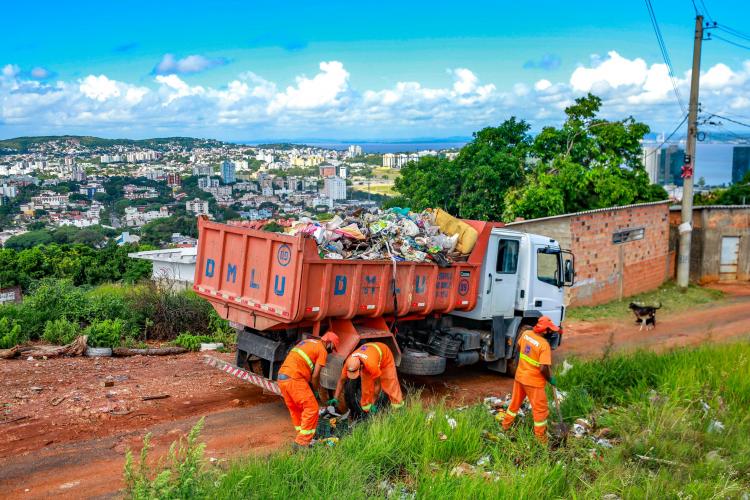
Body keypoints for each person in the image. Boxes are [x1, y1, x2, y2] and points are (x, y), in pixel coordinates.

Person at [501, 316, 560, 444]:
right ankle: (541, 440)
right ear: (544, 331)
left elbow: (518, 348)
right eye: (550, 330)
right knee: (540, 411)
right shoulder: (544, 345)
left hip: (520, 377)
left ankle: (505, 426)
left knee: (514, 404)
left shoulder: (526, 334)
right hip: (534, 383)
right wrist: (551, 379)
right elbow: (543, 368)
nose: (551, 333)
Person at [277, 331, 339, 449]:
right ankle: (302, 443)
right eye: (333, 347)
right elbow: (315, 376)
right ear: (329, 343)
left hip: (282, 377)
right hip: (295, 378)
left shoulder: (307, 342)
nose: (332, 350)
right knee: (312, 408)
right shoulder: (322, 350)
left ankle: (302, 434)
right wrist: (315, 391)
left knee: (296, 408)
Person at [332, 342, 404, 414]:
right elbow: (341, 380)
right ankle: (366, 410)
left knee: (390, 382)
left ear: (360, 366)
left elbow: (377, 386)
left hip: (385, 355)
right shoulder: (349, 363)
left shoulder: (371, 365)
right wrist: (335, 398)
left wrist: (373, 403)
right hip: (369, 353)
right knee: (366, 386)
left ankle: (398, 408)